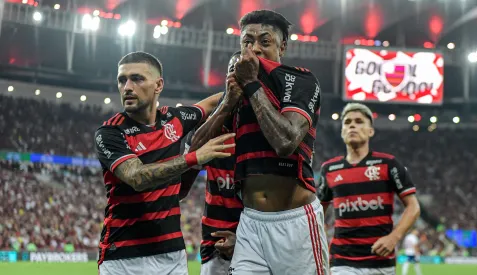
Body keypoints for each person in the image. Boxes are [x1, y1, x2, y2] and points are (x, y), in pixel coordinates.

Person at [191, 10, 327, 275]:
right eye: (247, 42)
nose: (254, 49)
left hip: (294, 220)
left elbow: (286, 141)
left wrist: (252, 84)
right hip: (250, 224)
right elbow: (195, 154)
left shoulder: (300, 80)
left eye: (265, 42)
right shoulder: (236, 92)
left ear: (282, 46)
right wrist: (229, 101)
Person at [94, 51, 235, 275]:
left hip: (172, 257)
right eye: (122, 80)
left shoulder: (174, 119)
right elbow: (137, 177)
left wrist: (243, 87)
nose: (127, 87)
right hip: (123, 258)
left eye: (137, 78)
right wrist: (194, 157)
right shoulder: (110, 132)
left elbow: (210, 104)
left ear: (158, 85)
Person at [317, 103, 421, 275]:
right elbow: (318, 211)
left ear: (371, 131)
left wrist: (394, 237)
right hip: (342, 261)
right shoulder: (329, 169)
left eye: (359, 121)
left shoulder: (388, 164)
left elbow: (414, 206)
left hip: (381, 261)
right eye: (347, 122)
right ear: (342, 131)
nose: (352, 125)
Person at [180, 51, 244, 275]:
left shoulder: (265, 128)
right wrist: (226, 104)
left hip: (257, 239)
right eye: (232, 71)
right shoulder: (212, 125)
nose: (237, 78)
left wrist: (243, 238)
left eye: (243, 73)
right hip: (214, 242)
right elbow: (184, 179)